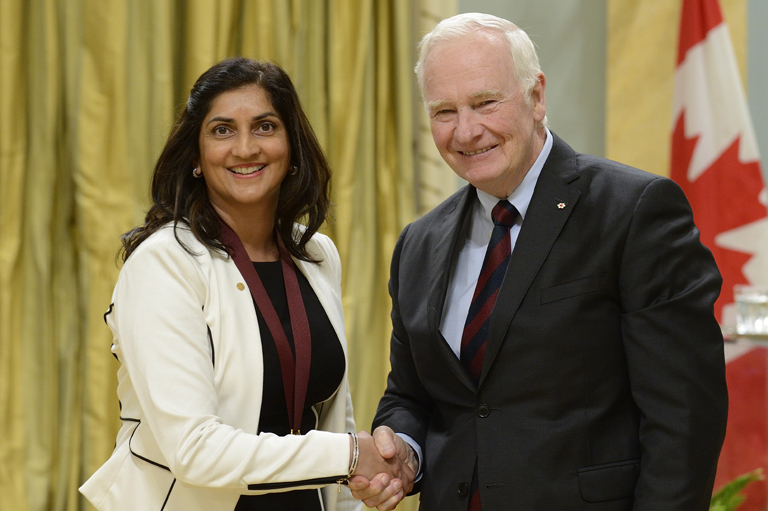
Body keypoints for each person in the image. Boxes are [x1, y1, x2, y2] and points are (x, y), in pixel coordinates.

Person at [349, 12, 728, 511]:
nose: (466, 130)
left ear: (536, 96)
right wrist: (405, 453)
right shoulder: (418, 244)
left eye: (485, 102)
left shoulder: (634, 211)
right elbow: (410, 396)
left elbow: (684, 417)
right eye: (444, 111)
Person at [79, 57, 412, 511]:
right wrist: (351, 454)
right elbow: (195, 451)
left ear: (291, 145)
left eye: (264, 127)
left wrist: (359, 485)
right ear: (195, 156)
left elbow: (333, 413)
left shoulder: (316, 254)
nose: (244, 148)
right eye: (222, 130)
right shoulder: (164, 263)